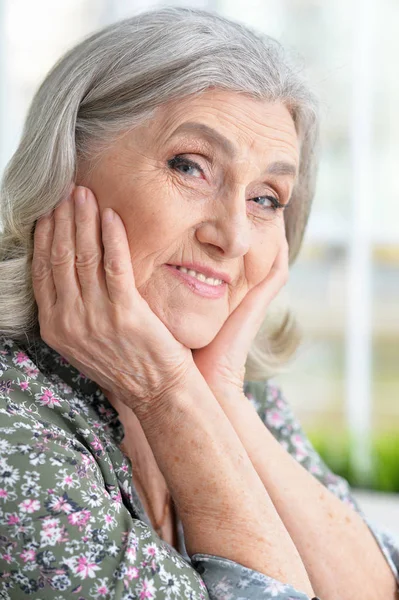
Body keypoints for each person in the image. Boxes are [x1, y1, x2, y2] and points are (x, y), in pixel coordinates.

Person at [0, 6, 397, 600]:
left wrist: (218, 398)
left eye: (266, 199)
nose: (234, 236)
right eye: (190, 166)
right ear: (64, 170)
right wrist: (167, 393)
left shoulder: (225, 376)